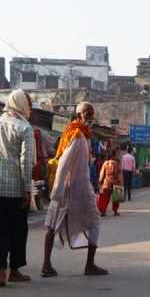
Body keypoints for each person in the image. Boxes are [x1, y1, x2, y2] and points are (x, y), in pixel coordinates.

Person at [42, 102, 108, 277]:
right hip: (70, 189)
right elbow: (63, 164)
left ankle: (86, 264)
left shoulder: (84, 135)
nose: (89, 116)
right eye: (86, 113)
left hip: (79, 188)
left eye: (91, 113)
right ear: (79, 115)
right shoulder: (77, 135)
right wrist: (57, 191)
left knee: (87, 222)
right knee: (55, 224)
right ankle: (50, 265)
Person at [0, 90, 34, 286]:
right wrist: (27, 189)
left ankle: (1, 273)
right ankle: (14, 270)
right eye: (28, 103)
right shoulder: (24, 128)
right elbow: (26, 161)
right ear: (21, 104)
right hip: (15, 189)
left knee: (1, 230)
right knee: (18, 231)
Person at [98, 150, 123, 216]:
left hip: (107, 182)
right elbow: (120, 175)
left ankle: (102, 211)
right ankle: (115, 211)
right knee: (116, 198)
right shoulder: (117, 163)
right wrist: (121, 183)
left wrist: (100, 181)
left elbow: (102, 173)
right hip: (116, 182)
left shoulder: (105, 163)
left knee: (104, 197)